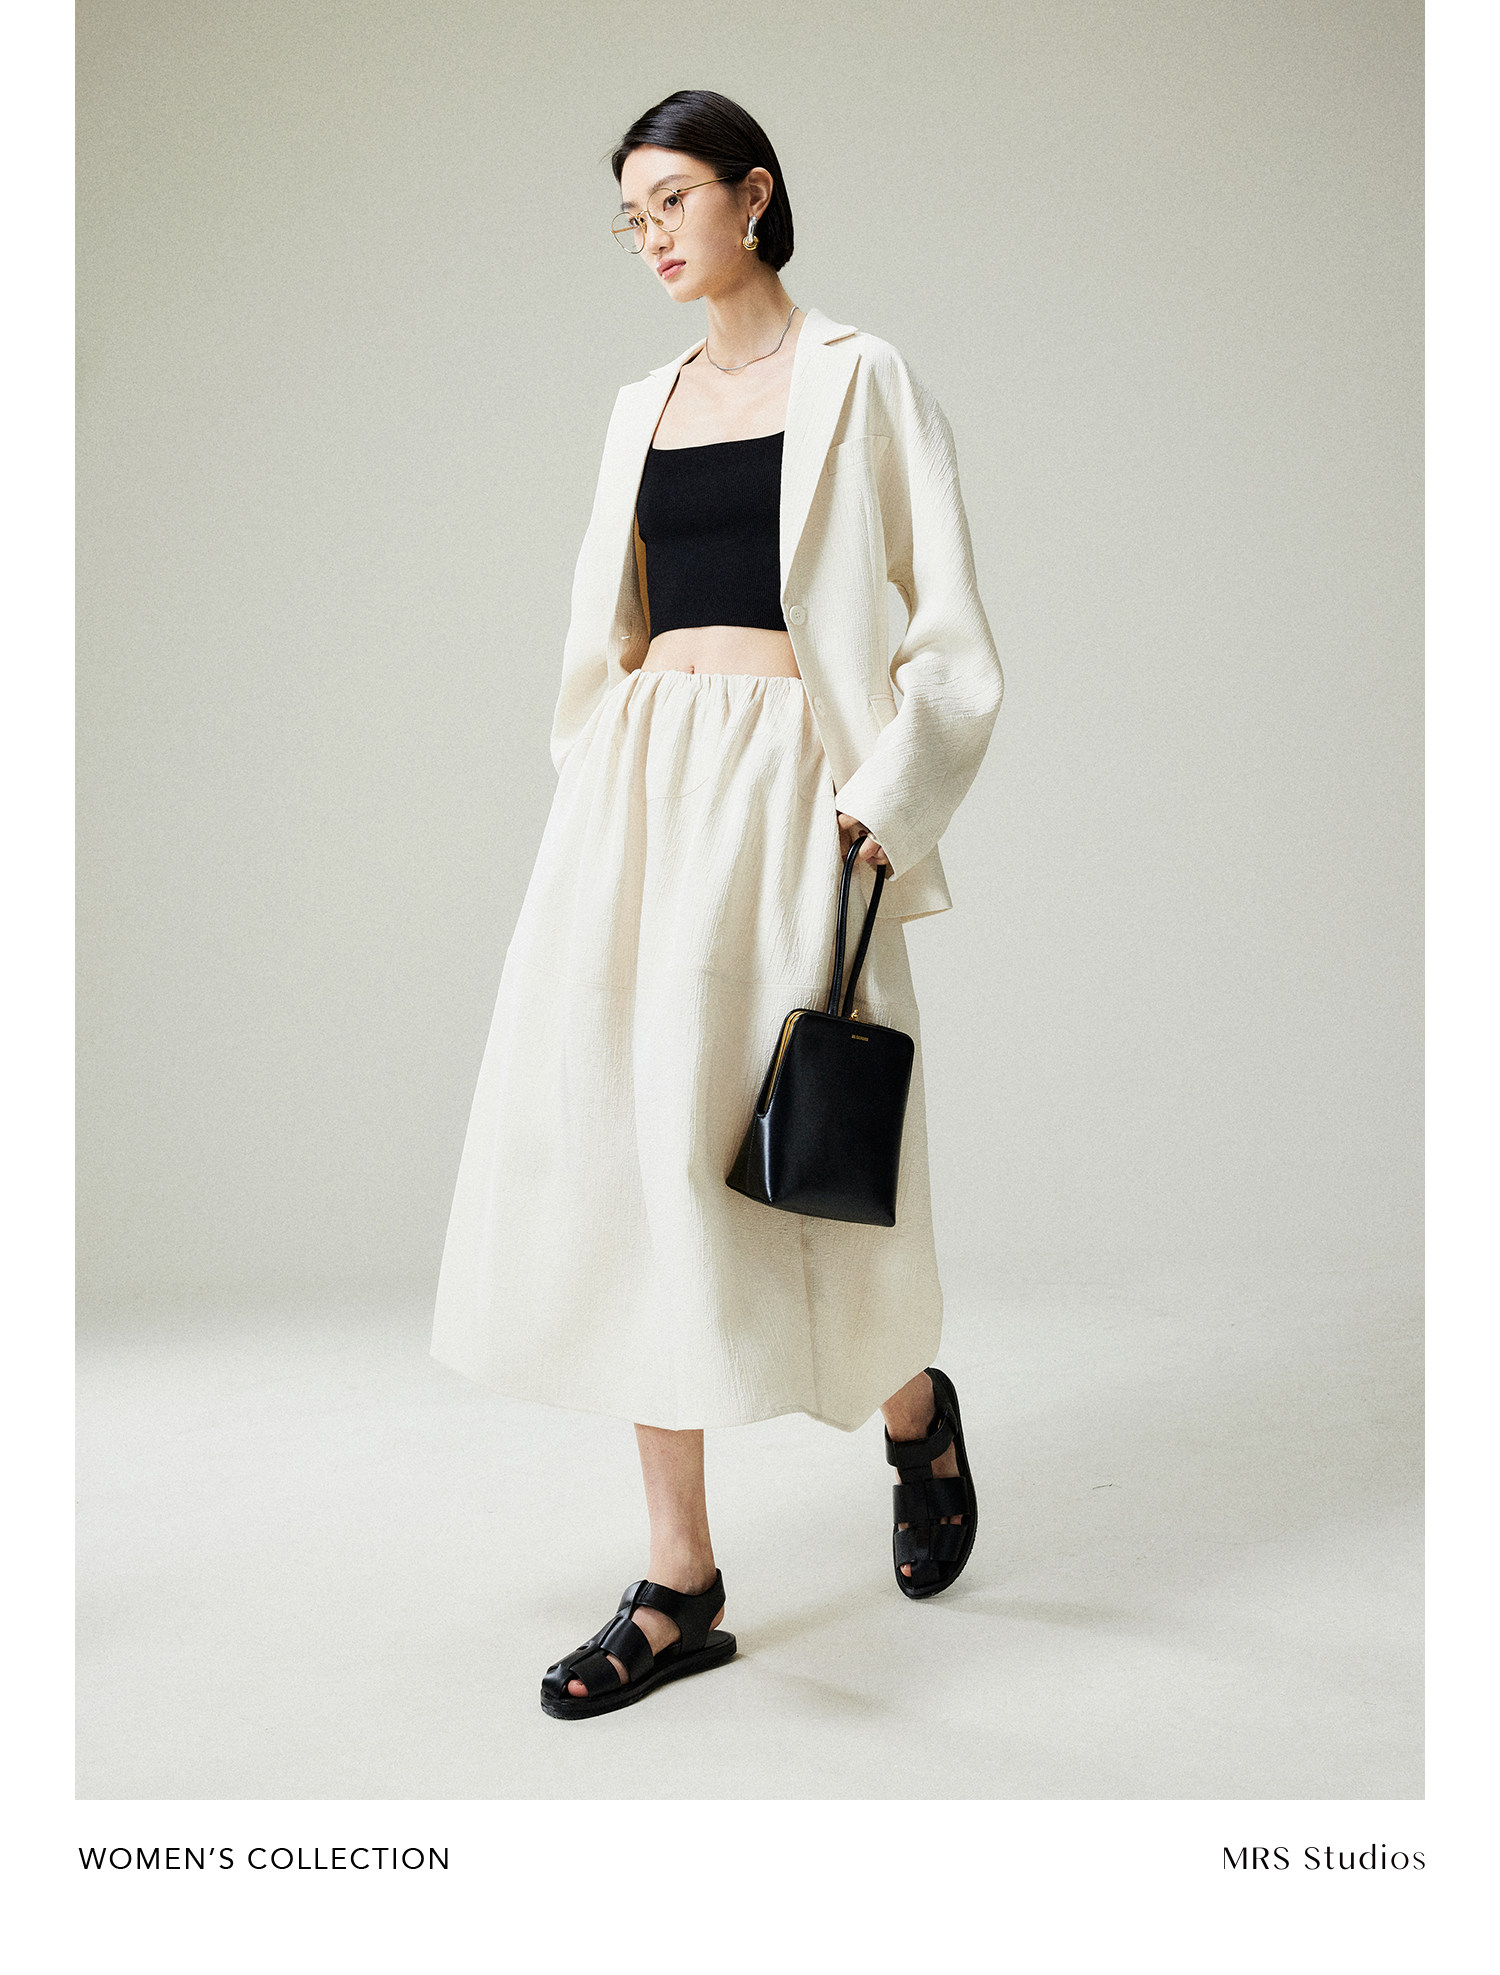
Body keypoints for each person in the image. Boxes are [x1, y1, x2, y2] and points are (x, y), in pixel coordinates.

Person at [430, 89, 1004, 1719]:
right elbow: (605, 626)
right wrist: (596, 785)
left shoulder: (861, 378)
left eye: (674, 199)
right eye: (631, 216)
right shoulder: (641, 404)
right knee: (635, 1158)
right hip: (644, 793)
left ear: (755, 194)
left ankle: (914, 1411)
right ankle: (681, 1579)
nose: (654, 236)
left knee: (795, 1151)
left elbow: (950, 632)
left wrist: (884, 800)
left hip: (798, 793)